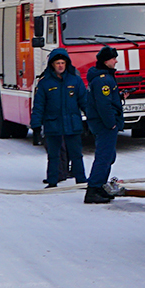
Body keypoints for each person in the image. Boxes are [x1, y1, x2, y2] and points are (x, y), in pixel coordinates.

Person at [31, 47, 89, 186]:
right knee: (53, 156)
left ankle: (81, 180)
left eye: (63, 63)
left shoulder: (75, 80)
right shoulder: (45, 83)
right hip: (53, 125)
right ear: (52, 64)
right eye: (57, 63)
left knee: (76, 154)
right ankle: (52, 181)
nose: (60, 66)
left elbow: (84, 102)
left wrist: (92, 120)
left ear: (67, 64)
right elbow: (39, 106)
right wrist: (36, 126)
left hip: (72, 124)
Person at [84, 46, 125, 204]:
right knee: (104, 156)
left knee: (108, 156)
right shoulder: (104, 80)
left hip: (102, 123)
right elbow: (103, 104)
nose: (116, 61)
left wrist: (119, 96)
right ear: (106, 60)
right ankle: (93, 189)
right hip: (104, 125)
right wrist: (112, 124)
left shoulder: (103, 78)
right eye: (113, 58)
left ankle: (100, 185)